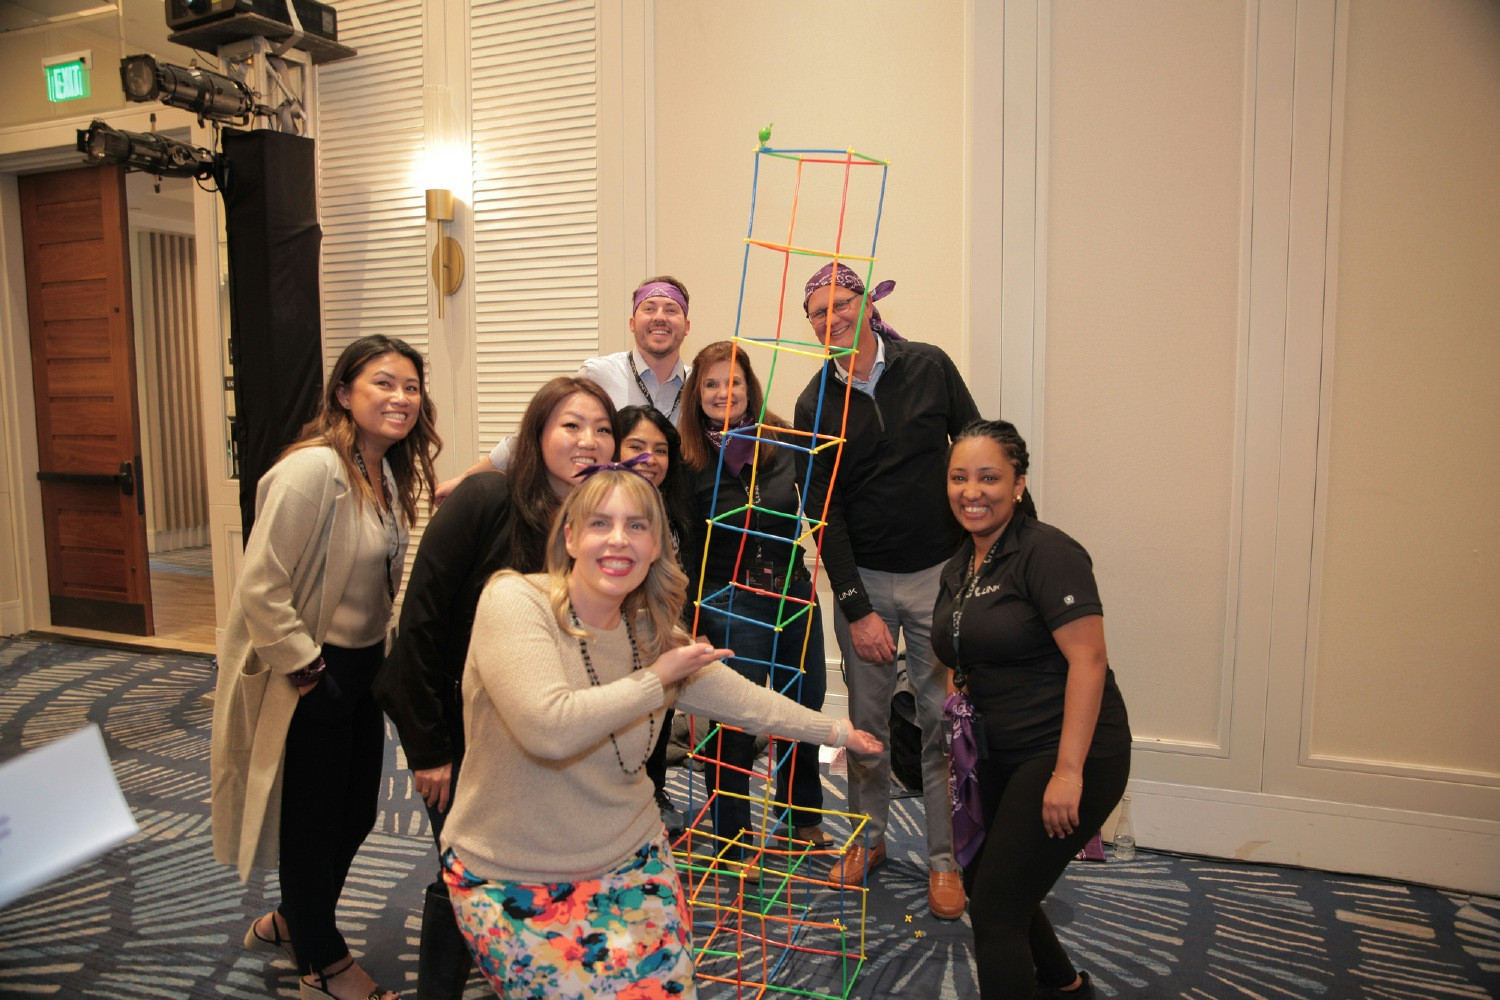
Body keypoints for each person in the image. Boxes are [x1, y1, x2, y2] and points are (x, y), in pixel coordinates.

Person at [437, 468, 881, 998]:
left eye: (638, 526)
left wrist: (835, 730)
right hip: (513, 871)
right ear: (571, 536)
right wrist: (657, 681)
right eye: (600, 522)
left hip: (631, 853)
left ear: (656, 548)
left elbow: (741, 699)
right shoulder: (515, 602)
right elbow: (548, 729)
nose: (619, 539)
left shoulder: (645, 628)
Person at [212, 335, 440, 1000]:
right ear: (344, 393)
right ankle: (322, 960)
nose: (400, 398)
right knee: (313, 822)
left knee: (356, 815)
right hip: (313, 670)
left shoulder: (384, 466)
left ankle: (291, 919)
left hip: (366, 667)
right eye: (383, 383)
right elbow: (261, 586)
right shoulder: (311, 471)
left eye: (410, 386)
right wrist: (309, 671)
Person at [373, 376, 615, 1000]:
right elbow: (419, 627)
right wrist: (429, 749)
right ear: (535, 434)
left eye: (602, 429)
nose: (588, 441)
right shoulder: (483, 498)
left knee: (529, 863)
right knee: (465, 868)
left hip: (539, 731)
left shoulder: (594, 522)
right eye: (570, 425)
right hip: (461, 731)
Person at [793, 262, 980, 920]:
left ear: (868, 305)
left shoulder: (929, 366)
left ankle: (942, 858)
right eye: (817, 312)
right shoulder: (813, 402)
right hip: (864, 582)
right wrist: (856, 609)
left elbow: (979, 450)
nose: (831, 318)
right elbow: (825, 515)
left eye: (841, 303)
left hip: (939, 575)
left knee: (938, 724)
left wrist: (995, 554)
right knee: (867, 730)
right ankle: (868, 840)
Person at [933, 420, 1131, 999]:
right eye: (959, 478)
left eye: (989, 477)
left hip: (1070, 750)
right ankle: (1063, 983)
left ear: (1018, 484)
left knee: (995, 907)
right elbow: (956, 649)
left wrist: (1068, 773)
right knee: (986, 875)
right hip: (996, 752)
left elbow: (1089, 661)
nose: (973, 491)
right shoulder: (960, 564)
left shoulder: (1049, 552)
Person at [678, 341, 831, 857]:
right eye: (712, 384)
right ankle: (732, 837)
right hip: (728, 602)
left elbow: (821, 512)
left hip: (793, 594)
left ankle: (800, 816)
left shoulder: (784, 439)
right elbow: (678, 550)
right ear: (696, 394)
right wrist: (690, 622)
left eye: (735, 381)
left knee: (802, 706)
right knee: (736, 722)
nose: (725, 392)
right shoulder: (685, 461)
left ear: (750, 386)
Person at [434, 275, 693, 501]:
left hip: (680, 520)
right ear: (632, 323)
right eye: (649, 308)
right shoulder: (599, 373)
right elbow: (536, 436)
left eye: (671, 310)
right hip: (601, 511)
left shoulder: (699, 386)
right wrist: (465, 479)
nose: (660, 317)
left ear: (687, 326)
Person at [615, 404, 695, 834]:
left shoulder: (672, 505)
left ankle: (654, 794)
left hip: (661, 637)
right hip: (614, 645)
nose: (650, 459)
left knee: (658, 729)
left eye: (660, 450)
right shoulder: (604, 508)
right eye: (637, 446)